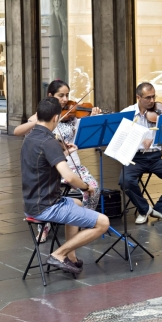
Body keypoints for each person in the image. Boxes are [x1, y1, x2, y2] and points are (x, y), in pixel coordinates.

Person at [20, 97, 109, 274]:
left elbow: (43, 163)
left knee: (77, 204)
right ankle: (59, 254)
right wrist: (85, 187)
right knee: (103, 223)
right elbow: (68, 176)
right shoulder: (49, 142)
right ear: (55, 118)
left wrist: (64, 153)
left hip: (31, 203)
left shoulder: (29, 139)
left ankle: (71, 256)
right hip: (46, 206)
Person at [15, 79, 101, 242]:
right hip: (52, 168)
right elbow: (18, 131)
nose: (65, 99)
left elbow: (84, 132)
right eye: (61, 95)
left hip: (72, 162)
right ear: (50, 96)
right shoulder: (42, 116)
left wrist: (93, 118)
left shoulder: (72, 114)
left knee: (95, 189)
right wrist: (38, 121)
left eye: (67, 95)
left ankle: (84, 221)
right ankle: (44, 225)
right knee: (48, 192)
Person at [120, 82, 162, 224]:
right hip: (135, 158)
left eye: (153, 97)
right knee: (125, 181)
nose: (152, 101)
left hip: (155, 158)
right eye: (148, 98)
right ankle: (144, 210)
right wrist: (140, 140)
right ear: (138, 97)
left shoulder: (160, 112)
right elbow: (121, 139)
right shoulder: (127, 114)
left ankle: (161, 209)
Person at [49, 0, 67, 81]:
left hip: (60, 64)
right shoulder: (51, 19)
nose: (56, 2)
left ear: (60, 1)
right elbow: (52, 48)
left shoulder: (60, 20)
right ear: (52, 1)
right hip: (55, 66)